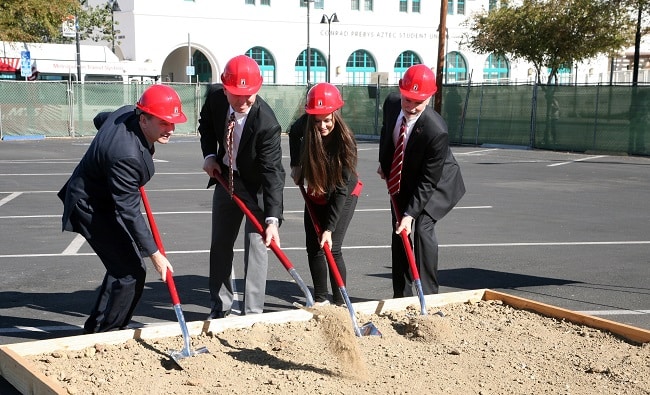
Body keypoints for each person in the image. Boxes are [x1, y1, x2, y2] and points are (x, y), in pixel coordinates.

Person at [57, 84, 187, 333]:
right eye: (163, 123)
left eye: (173, 122)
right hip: (90, 206)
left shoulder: (127, 112)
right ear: (143, 118)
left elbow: (101, 119)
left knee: (122, 265)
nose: (170, 129)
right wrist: (156, 254)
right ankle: (108, 332)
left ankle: (97, 328)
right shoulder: (126, 155)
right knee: (130, 271)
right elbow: (129, 211)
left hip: (107, 197)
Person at [198, 55, 285, 318]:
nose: (244, 101)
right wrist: (210, 156)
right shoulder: (214, 98)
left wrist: (272, 219)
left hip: (255, 187)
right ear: (225, 88)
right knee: (220, 244)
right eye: (237, 95)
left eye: (250, 95)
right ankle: (220, 306)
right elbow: (206, 127)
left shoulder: (266, 124)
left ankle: (253, 314)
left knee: (256, 246)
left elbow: (272, 173)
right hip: (225, 179)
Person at [377, 64, 465, 298]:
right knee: (399, 232)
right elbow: (387, 132)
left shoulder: (436, 131)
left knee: (421, 228)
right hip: (404, 174)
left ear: (429, 98)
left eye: (418, 102)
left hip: (438, 182)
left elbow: (428, 179)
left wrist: (410, 214)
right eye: (408, 99)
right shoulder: (392, 103)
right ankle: (401, 295)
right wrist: (384, 164)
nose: (411, 106)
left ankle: (429, 295)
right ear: (401, 91)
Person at [289, 83, 361, 306]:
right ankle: (321, 300)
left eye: (327, 120)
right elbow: (293, 132)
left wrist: (329, 228)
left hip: (342, 194)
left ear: (336, 115)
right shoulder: (305, 125)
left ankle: (341, 302)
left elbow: (341, 190)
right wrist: (296, 164)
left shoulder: (345, 142)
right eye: (317, 120)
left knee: (332, 246)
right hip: (316, 191)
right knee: (314, 247)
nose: (322, 125)